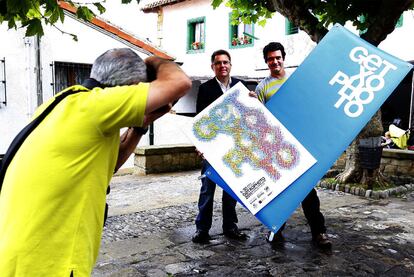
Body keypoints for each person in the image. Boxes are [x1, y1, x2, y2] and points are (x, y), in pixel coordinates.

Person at [0, 48, 191, 276]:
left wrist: (140, 125)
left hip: (23, 254)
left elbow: (107, 166)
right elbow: (180, 82)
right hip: (49, 261)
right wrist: (151, 60)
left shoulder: (67, 103)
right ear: (131, 88)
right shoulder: (96, 106)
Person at [255, 42, 331, 249]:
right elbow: (260, 116)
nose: (274, 61)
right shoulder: (262, 87)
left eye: (277, 57)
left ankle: (319, 232)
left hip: (300, 144)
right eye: (270, 59)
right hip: (277, 146)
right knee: (278, 192)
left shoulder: (297, 80)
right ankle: (275, 230)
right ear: (266, 62)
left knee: (307, 190)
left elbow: (310, 106)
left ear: (283, 58)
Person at [192, 49, 248, 243]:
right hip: (212, 149)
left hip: (234, 148)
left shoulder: (240, 86)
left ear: (230, 65)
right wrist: (200, 146)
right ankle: (202, 229)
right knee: (207, 189)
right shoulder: (205, 88)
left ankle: (230, 227)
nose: (222, 66)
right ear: (212, 66)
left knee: (231, 191)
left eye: (225, 62)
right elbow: (199, 120)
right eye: (218, 63)